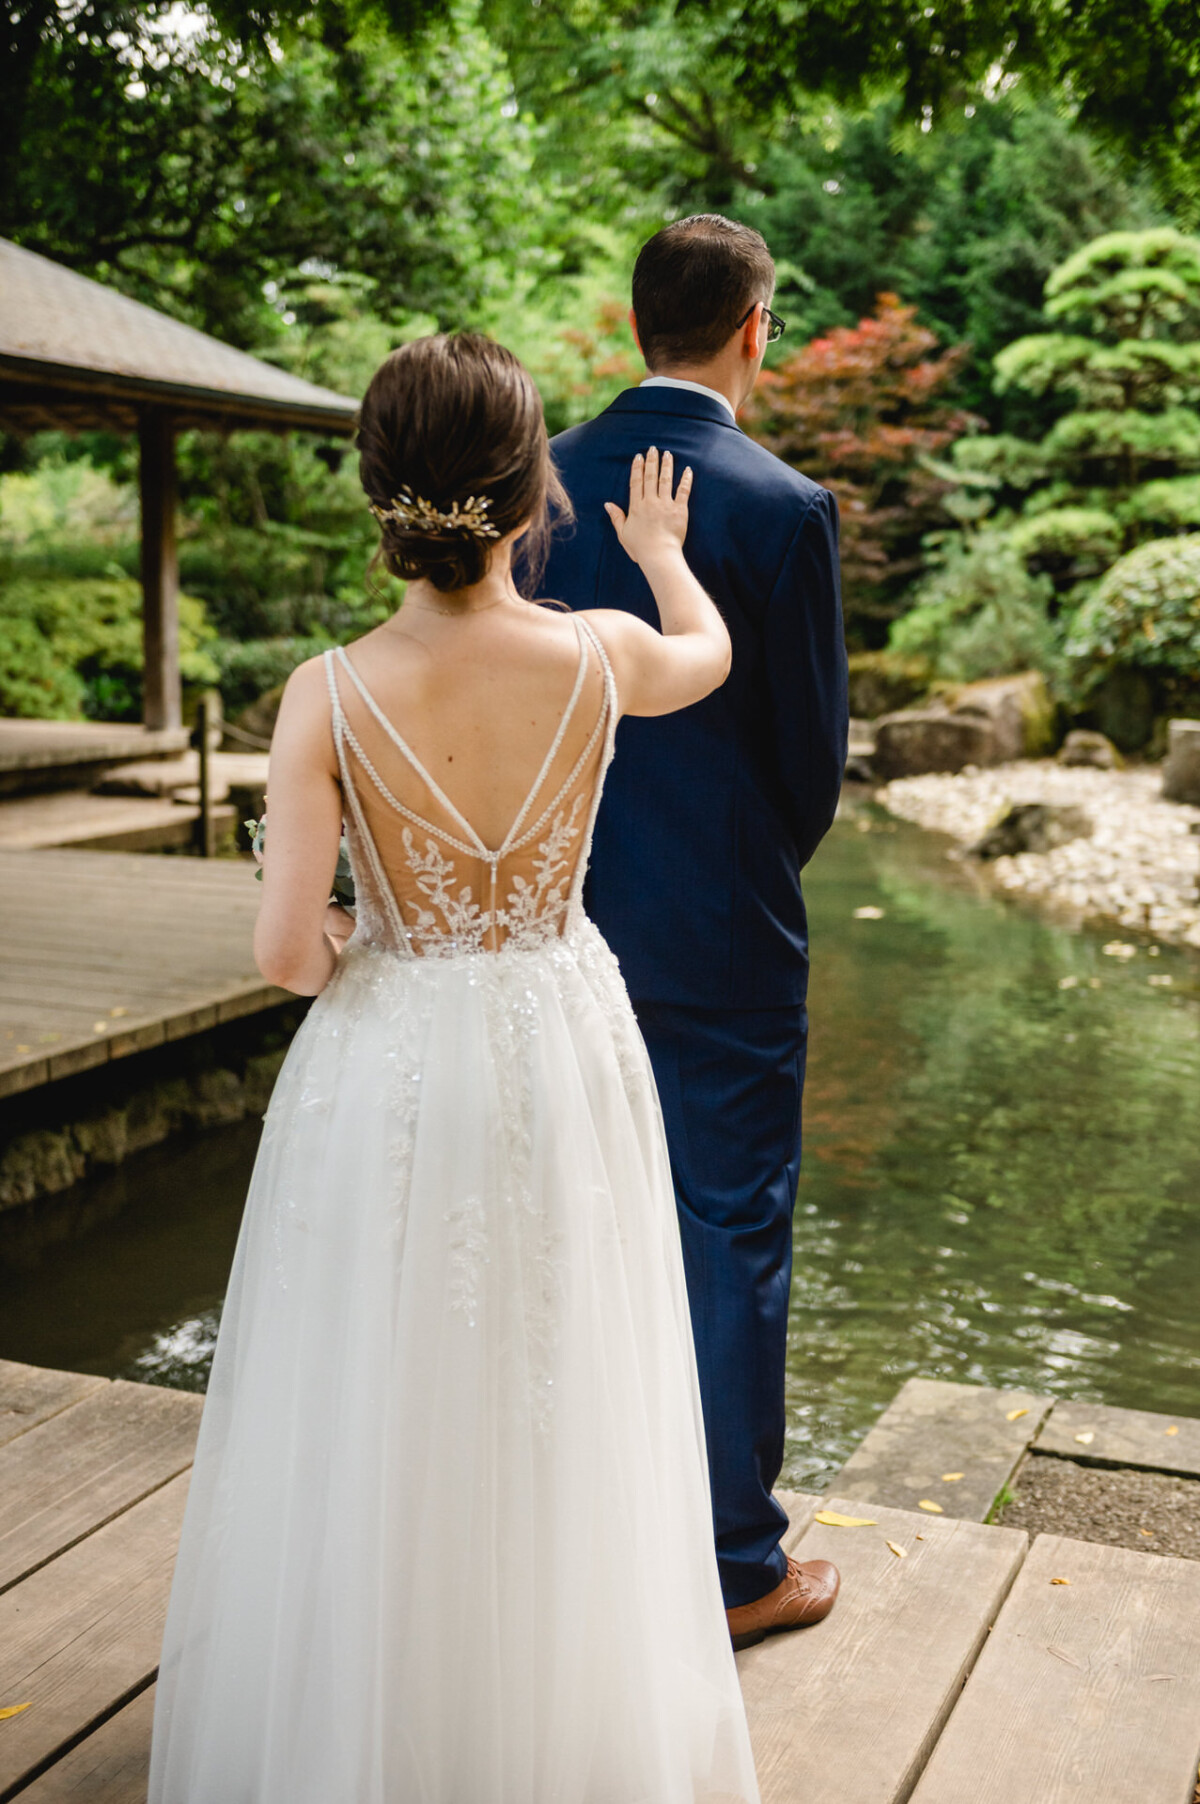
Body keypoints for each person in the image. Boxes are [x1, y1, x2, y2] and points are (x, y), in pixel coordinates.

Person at [146, 331, 792, 1803]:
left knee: (385, 1382)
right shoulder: (599, 655)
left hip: (395, 1060)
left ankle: (389, 1716)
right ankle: (559, 1719)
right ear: (531, 496)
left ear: (381, 495)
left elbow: (285, 960)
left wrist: (358, 915)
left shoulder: (323, 695)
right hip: (564, 1042)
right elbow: (711, 655)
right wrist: (662, 550)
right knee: (568, 1375)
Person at [539, 215, 849, 1646]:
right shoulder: (781, 506)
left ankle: (571, 1533)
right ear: (754, 328)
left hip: (547, 933)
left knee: (570, 1225)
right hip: (723, 934)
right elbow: (808, 764)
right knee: (728, 1235)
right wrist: (737, 867)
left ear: (634, 323)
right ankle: (733, 1563)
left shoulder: (533, 485)